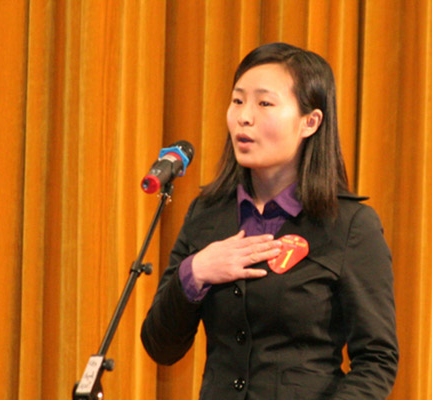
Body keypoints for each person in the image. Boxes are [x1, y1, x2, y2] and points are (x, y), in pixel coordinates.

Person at [141, 42, 398, 399]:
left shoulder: (350, 224)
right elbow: (161, 346)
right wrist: (195, 271)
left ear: (310, 122)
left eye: (264, 103)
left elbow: (376, 360)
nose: (244, 117)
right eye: (237, 101)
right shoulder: (207, 214)